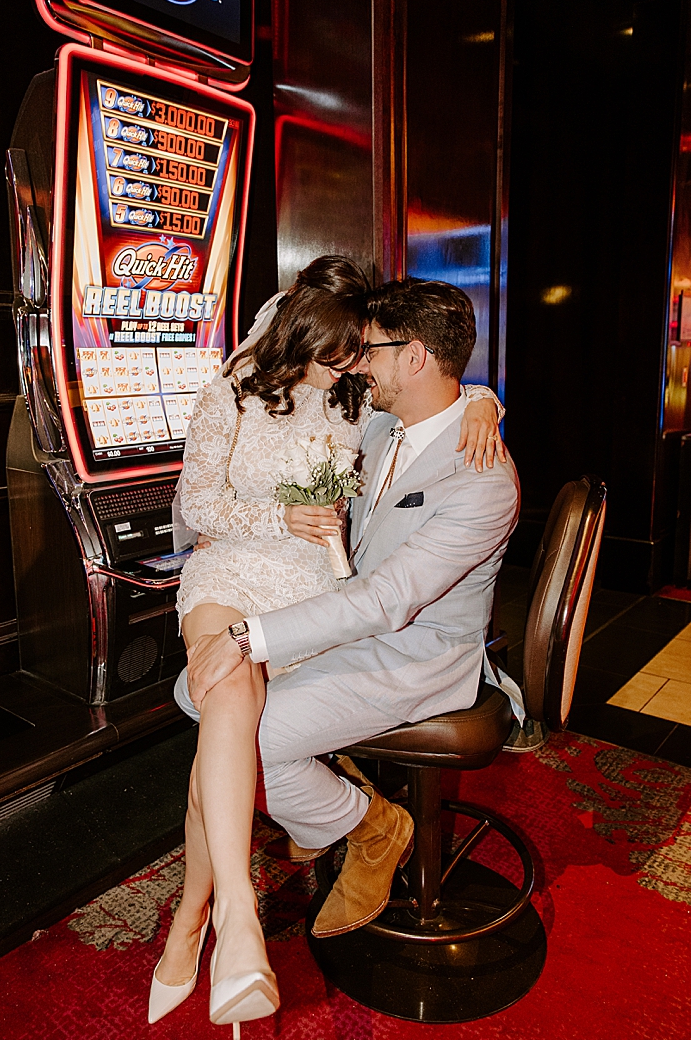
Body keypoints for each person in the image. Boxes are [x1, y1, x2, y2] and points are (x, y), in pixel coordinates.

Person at [149, 267, 508, 1032]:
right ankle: (221, 918)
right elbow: (275, 445)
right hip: (341, 619)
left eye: (370, 350)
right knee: (220, 712)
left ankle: (368, 823)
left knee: (241, 732)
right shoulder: (384, 422)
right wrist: (480, 396)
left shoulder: (483, 479)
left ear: (411, 357)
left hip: (415, 651)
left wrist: (251, 634)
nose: (356, 365)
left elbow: (385, 601)